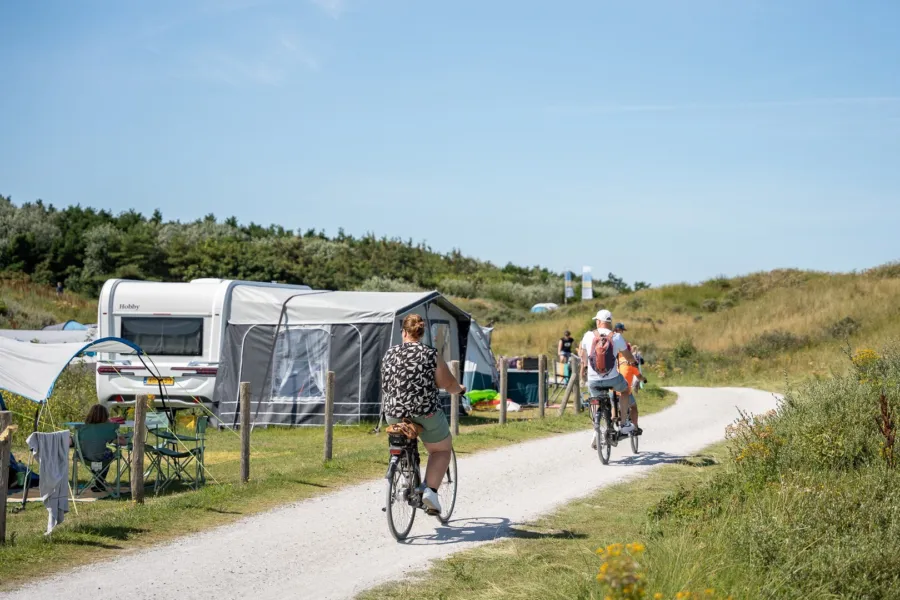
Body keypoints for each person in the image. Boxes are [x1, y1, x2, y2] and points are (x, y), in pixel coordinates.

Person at [382, 314, 466, 514]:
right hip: (425, 413)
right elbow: (447, 384)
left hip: (393, 413)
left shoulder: (389, 353)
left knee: (401, 442)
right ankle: (430, 492)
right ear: (421, 333)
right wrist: (459, 389)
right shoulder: (430, 354)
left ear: (404, 332)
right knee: (441, 450)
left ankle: (405, 474)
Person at [579, 310, 641, 445]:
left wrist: (585, 367)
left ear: (598, 321)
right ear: (609, 322)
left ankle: (596, 429)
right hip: (612, 378)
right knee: (625, 390)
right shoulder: (616, 337)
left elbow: (582, 355)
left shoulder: (588, 335)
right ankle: (623, 423)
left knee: (595, 400)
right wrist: (633, 362)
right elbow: (628, 356)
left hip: (593, 379)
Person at [77, 404, 126, 492]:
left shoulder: (82, 428)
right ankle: (100, 482)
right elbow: (123, 442)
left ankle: (98, 482)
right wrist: (119, 434)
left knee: (96, 453)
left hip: (85, 458)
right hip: (101, 459)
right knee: (107, 452)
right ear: (105, 416)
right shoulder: (106, 428)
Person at [614, 323, 647, 435]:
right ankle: (635, 427)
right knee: (633, 407)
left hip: (612, 389)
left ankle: (612, 421)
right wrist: (644, 379)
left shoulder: (614, 359)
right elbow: (639, 376)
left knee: (613, 403)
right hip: (624, 390)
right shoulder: (630, 362)